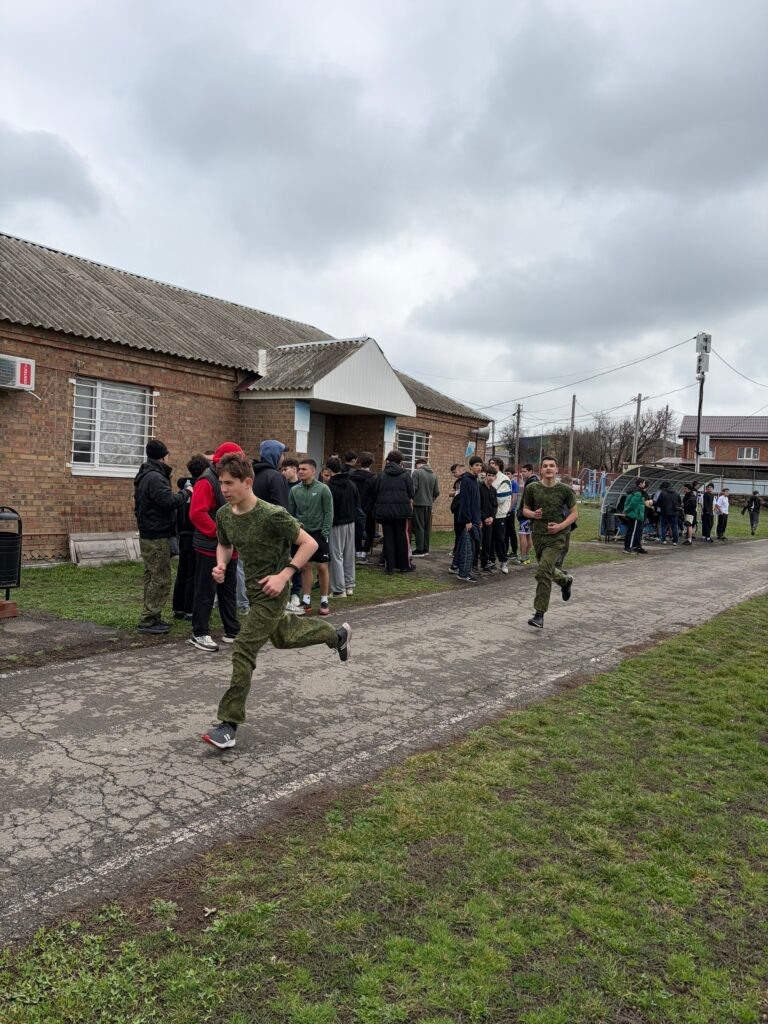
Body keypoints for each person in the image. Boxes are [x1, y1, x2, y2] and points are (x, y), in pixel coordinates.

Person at [202, 453, 350, 750]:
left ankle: (228, 724)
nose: (224, 489)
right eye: (221, 483)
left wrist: (285, 575)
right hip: (254, 593)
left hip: (273, 591)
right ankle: (336, 635)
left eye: (229, 483)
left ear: (247, 482)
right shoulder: (224, 514)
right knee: (283, 637)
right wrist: (221, 565)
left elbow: (309, 543)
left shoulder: (272, 515)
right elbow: (224, 543)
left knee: (243, 648)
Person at [188, 441, 244, 652]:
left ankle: (232, 630)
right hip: (209, 547)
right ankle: (199, 632)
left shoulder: (230, 480)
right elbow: (197, 513)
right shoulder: (207, 481)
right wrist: (220, 534)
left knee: (229, 589)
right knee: (206, 590)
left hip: (230, 545)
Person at [133, 439, 191, 634]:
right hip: (157, 534)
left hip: (149, 532)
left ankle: (153, 615)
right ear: (163, 456)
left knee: (152, 575)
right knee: (160, 577)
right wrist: (186, 493)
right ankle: (149, 620)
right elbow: (168, 501)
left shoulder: (145, 474)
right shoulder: (155, 477)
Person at [522, 455, 577, 629]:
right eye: (545, 466)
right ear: (541, 470)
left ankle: (539, 614)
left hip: (557, 537)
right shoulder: (532, 488)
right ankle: (565, 581)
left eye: (551, 466)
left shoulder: (565, 490)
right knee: (547, 569)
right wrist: (533, 515)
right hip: (538, 535)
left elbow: (574, 514)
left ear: (556, 469)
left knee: (543, 570)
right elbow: (525, 510)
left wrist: (560, 526)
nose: (548, 468)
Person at [288, 458, 333, 615]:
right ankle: (306, 600)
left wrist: (325, 532)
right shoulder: (294, 490)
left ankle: (324, 599)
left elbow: (328, 512)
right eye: (299, 469)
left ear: (313, 471)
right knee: (305, 566)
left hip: (319, 532)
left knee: (322, 566)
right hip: (302, 534)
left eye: (304, 469)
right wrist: (294, 530)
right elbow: (291, 513)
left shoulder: (323, 489)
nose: (300, 471)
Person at [172, 453, 208, 619]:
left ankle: (178, 608)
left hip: (182, 534)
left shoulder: (183, 486)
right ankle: (189, 609)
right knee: (194, 573)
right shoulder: (202, 486)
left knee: (182, 572)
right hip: (195, 533)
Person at [372, 450, 415, 573]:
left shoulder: (381, 475)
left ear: (388, 461)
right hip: (402, 511)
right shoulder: (405, 475)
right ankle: (404, 566)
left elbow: (375, 492)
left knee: (389, 538)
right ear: (400, 462)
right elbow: (411, 493)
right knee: (402, 537)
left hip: (385, 512)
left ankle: (389, 566)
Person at [327, 456, 359, 597]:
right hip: (351, 522)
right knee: (348, 554)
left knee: (336, 556)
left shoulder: (330, 487)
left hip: (336, 524)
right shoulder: (352, 484)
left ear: (329, 470)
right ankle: (349, 585)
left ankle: (339, 589)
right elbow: (357, 503)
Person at [453, 456, 483, 582]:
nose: (479, 467)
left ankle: (455, 566)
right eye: (476, 465)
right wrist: (468, 521)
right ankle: (463, 574)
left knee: (463, 545)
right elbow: (465, 502)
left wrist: (479, 519)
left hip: (474, 520)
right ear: (470, 466)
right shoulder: (466, 481)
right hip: (468, 521)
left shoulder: (474, 481)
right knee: (467, 548)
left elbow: (476, 503)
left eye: (480, 465)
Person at [349, 451, 377, 561]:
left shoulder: (351, 476)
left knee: (355, 529)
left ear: (359, 462)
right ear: (371, 463)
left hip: (354, 507)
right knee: (370, 530)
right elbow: (375, 495)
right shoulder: (374, 478)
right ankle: (364, 551)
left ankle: (357, 549)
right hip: (368, 508)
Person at [411, 457, 440, 556]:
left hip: (418, 503)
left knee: (419, 526)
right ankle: (426, 548)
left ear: (418, 465)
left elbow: (413, 488)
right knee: (427, 527)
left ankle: (419, 549)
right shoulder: (434, 474)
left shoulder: (417, 472)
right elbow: (437, 492)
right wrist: (430, 500)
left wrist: (411, 499)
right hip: (429, 504)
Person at [488, 458, 512, 572]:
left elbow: (500, 498)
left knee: (499, 538)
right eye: (490, 463)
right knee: (489, 539)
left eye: (493, 463)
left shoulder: (505, 479)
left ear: (499, 465)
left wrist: (487, 497)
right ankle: (491, 560)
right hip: (489, 515)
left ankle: (503, 561)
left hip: (499, 514)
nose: (491, 465)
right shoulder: (488, 477)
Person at [251, 439, 290, 508]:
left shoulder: (252, 473)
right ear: (276, 455)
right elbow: (281, 509)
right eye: (282, 454)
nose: (283, 458)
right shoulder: (276, 477)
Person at [517, 464, 539, 565]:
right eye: (522, 471)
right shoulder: (534, 481)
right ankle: (527, 557)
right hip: (530, 513)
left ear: (531, 471)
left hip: (526, 513)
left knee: (523, 535)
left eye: (525, 471)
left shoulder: (532, 483)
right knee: (528, 535)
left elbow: (530, 499)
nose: (522, 473)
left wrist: (523, 511)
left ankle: (524, 557)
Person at [622, 478, 652, 554]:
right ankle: (629, 548)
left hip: (637, 515)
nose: (645, 485)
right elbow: (633, 504)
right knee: (632, 532)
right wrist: (626, 511)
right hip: (636, 515)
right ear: (640, 484)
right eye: (644, 483)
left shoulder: (636, 492)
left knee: (632, 531)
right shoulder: (638, 493)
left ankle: (633, 547)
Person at [479, 466, 499, 573]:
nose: (491, 478)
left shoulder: (493, 490)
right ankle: (473, 564)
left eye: (493, 476)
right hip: (480, 520)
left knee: (487, 542)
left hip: (490, 521)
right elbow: (478, 505)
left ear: (495, 477)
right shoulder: (479, 487)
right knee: (478, 542)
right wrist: (484, 517)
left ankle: (484, 563)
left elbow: (495, 505)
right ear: (486, 476)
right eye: (489, 475)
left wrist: (492, 517)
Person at [655, 481, 681, 545]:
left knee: (663, 526)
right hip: (674, 513)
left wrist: (663, 507)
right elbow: (679, 503)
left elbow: (658, 503)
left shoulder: (662, 493)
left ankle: (663, 540)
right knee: (674, 527)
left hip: (664, 512)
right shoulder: (677, 493)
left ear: (664, 487)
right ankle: (675, 541)